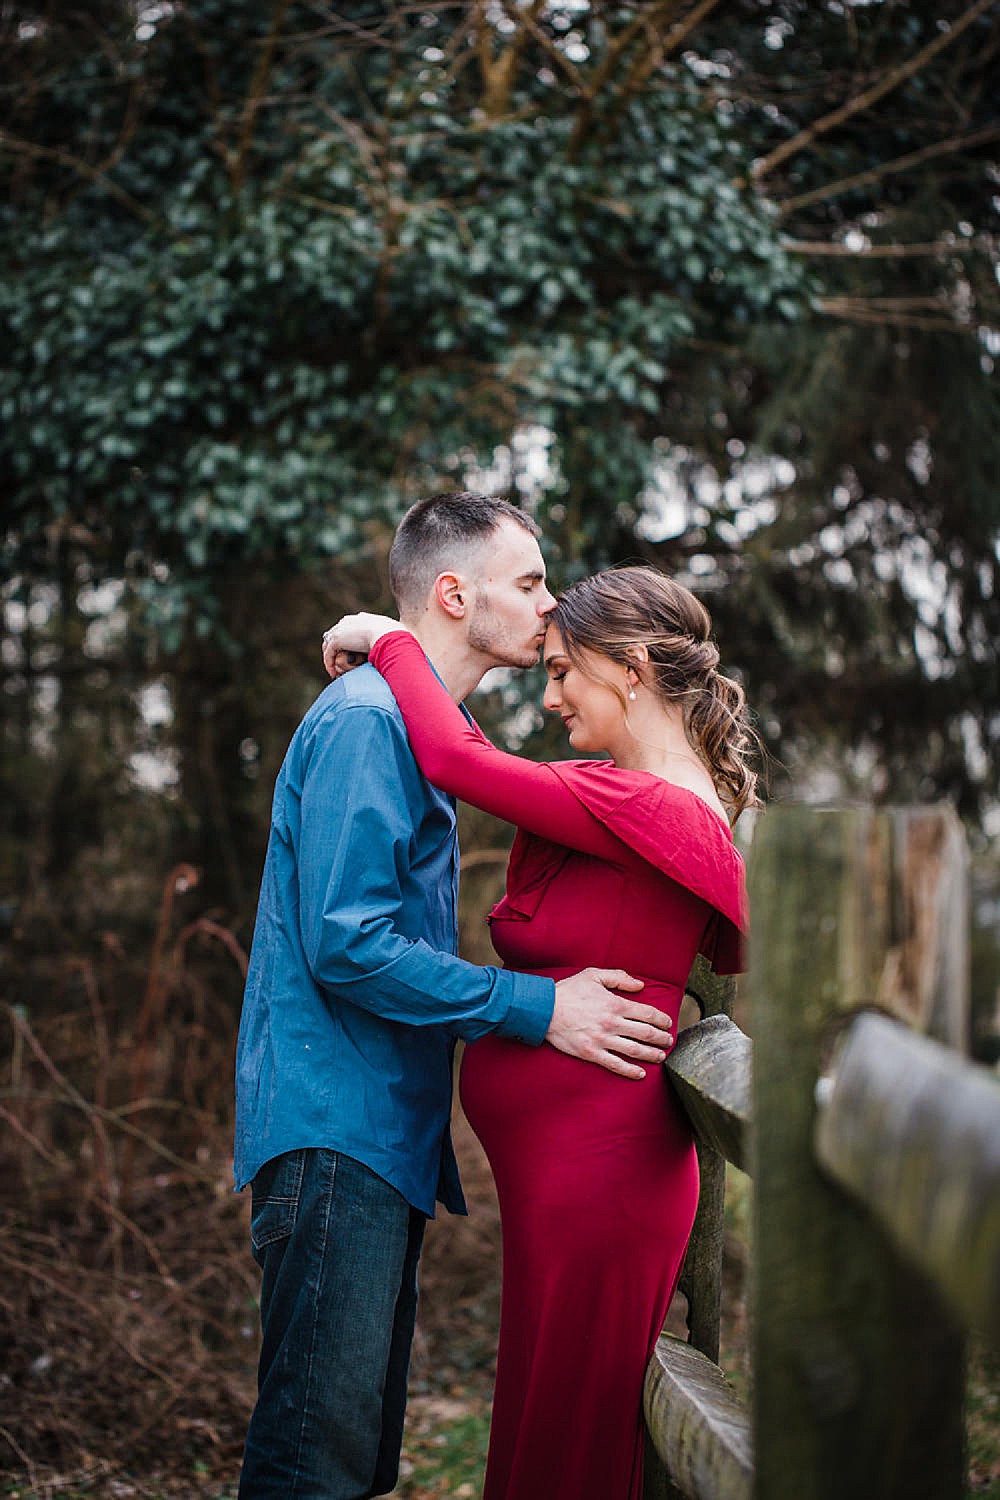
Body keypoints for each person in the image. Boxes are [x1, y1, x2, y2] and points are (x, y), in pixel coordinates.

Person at [233, 493, 678, 1500]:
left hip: (375, 1141)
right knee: (315, 1464)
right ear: (452, 593)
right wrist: (540, 1007)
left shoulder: (421, 726)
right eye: (528, 583)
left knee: (353, 1458)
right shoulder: (364, 722)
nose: (548, 603)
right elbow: (347, 946)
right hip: (333, 1134)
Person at [322, 564, 753, 1500]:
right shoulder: (624, 794)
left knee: (569, 1448)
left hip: (602, 1181)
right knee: (543, 1432)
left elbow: (458, 762)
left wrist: (389, 637)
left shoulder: (657, 804)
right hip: (568, 1182)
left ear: (632, 669)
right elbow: (491, 765)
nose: (550, 695)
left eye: (563, 672)